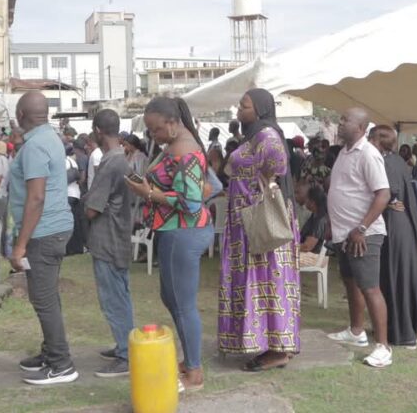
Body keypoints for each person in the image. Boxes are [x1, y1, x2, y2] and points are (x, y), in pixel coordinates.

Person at [126, 97, 213, 391]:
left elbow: (190, 203)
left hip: (183, 232)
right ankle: (189, 361)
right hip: (175, 231)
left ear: (173, 123)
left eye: (156, 129)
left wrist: (147, 193)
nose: (153, 136)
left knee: (183, 304)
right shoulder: (178, 147)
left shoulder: (186, 154)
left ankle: (194, 372)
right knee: (173, 299)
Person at [215, 89, 299, 372]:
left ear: (260, 109)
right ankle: (264, 340)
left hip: (260, 221)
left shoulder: (267, 135)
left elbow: (278, 165)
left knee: (268, 280)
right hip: (246, 223)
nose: (239, 109)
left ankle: (277, 349)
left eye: (245, 105)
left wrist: (257, 184)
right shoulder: (252, 136)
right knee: (256, 280)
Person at [9, 91, 77, 385]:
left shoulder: (36, 145)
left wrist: (21, 244)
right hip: (55, 226)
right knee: (48, 296)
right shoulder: (50, 138)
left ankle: (62, 364)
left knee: (43, 299)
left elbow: (36, 198)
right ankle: (51, 352)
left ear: (21, 115)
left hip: (43, 232)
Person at [326, 108, 392, 368]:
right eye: (342, 118)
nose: (340, 123)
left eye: (345, 120)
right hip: (344, 233)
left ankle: (383, 347)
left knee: (370, 287)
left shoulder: (368, 154)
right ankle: (356, 331)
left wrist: (362, 228)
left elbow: (383, 194)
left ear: (362, 127)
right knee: (351, 282)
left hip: (364, 234)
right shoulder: (344, 152)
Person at [85, 110, 134, 377]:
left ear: (97, 131)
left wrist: (85, 203)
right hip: (118, 236)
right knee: (120, 294)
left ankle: (126, 354)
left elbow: (92, 208)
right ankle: (124, 346)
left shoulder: (111, 162)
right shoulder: (120, 158)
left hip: (108, 238)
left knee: (112, 298)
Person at [370, 126, 417, 349]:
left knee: (396, 278)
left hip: (394, 225)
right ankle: (395, 327)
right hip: (398, 223)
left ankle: (404, 333)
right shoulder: (396, 161)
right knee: (393, 278)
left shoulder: (387, 162)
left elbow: (389, 192)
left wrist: (387, 202)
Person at [298, 185, 329, 267]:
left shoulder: (320, 220)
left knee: (284, 257)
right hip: (310, 254)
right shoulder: (315, 216)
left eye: (307, 199)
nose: (305, 201)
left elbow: (307, 246)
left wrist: (290, 248)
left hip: (315, 257)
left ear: (312, 202)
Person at [64, 143, 85, 256]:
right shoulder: (74, 163)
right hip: (76, 194)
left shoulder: (64, 162)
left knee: (68, 222)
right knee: (76, 223)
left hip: (68, 195)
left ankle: (69, 248)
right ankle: (78, 247)